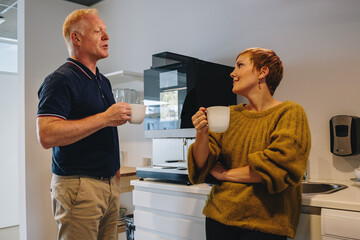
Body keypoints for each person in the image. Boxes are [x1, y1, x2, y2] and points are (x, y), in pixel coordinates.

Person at [188, 47, 311, 240]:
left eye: (240, 65)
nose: (232, 73)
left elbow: (276, 166)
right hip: (218, 216)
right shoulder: (230, 114)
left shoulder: (290, 112)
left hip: (265, 224)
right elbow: (203, 164)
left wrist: (224, 173)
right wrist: (201, 133)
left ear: (263, 72)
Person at [36, 9, 131, 240]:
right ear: (77, 38)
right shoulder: (60, 80)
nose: (107, 37)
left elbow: (101, 130)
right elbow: (47, 135)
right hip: (78, 187)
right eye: (99, 32)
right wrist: (106, 118)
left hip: (108, 183)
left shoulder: (103, 80)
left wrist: (114, 168)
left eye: (106, 32)